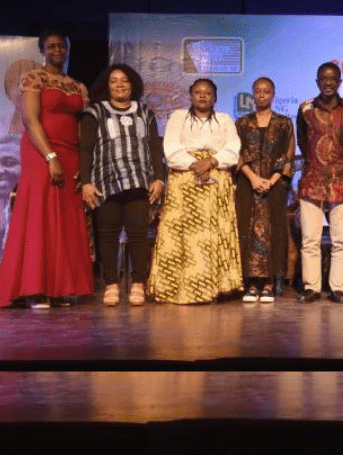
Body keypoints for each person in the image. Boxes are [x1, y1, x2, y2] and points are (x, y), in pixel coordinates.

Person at [0, 30, 93, 308]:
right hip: (41, 151)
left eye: (61, 46)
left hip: (70, 153)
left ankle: (58, 288)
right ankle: (34, 288)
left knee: (64, 218)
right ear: (42, 51)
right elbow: (30, 121)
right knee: (39, 215)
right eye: (51, 46)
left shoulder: (77, 86)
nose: (57, 50)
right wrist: (50, 156)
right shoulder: (34, 78)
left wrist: (82, 163)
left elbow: (81, 125)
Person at [148, 78, 242, 304]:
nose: (202, 96)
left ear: (215, 98)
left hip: (216, 179)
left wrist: (210, 162)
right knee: (182, 237)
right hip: (184, 180)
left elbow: (233, 149)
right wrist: (195, 165)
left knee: (213, 234)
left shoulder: (224, 119)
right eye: (198, 92)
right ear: (190, 95)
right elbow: (171, 149)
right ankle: (176, 289)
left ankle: (216, 288)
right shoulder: (178, 117)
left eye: (207, 93)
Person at [80, 64, 165, 306]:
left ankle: (138, 283)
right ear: (107, 86)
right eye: (114, 80)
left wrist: (159, 178)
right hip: (104, 181)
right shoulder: (94, 113)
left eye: (124, 80)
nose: (119, 85)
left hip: (139, 181)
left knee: (138, 233)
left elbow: (154, 147)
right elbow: (85, 149)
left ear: (132, 85)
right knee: (108, 234)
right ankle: (111, 284)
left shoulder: (145, 112)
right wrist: (86, 182)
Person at [296, 62, 343, 303]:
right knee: (310, 239)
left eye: (333, 78)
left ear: (340, 82)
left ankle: (339, 288)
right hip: (312, 179)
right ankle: (311, 287)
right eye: (323, 78)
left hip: (342, 179)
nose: (328, 82)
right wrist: (318, 163)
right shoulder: (305, 109)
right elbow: (303, 143)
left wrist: (336, 163)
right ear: (317, 82)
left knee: (341, 240)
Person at [235, 77, 295, 303]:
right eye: (258, 91)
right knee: (247, 228)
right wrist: (252, 178)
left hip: (275, 186)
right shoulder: (241, 123)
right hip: (247, 184)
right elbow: (237, 154)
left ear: (273, 94)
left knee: (274, 230)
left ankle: (269, 282)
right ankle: (250, 283)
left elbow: (288, 156)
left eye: (266, 91)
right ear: (253, 94)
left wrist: (272, 180)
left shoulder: (284, 123)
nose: (261, 95)